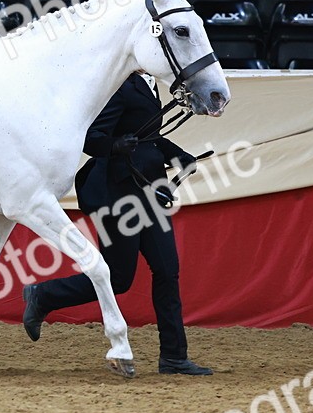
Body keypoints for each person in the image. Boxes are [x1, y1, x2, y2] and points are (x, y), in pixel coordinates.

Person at [21, 72, 212, 375]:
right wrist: (115, 145)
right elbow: (91, 138)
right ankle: (43, 296)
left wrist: (178, 156)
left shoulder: (149, 85)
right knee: (120, 279)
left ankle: (174, 356)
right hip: (118, 195)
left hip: (150, 192)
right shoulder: (119, 87)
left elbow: (149, 137)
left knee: (167, 270)